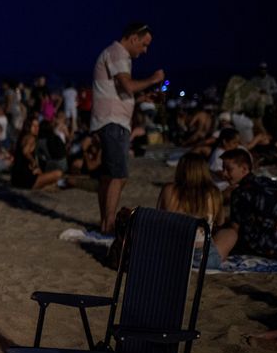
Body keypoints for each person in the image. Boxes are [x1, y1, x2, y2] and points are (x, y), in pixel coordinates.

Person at [91, 22, 165, 234]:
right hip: (113, 122)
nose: (145, 50)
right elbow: (128, 85)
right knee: (118, 175)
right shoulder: (118, 53)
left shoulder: (113, 53)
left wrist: (143, 98)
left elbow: (121, 93)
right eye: (144, 44)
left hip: (107, 121)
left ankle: (105, 222)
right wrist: (154, 79)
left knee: (108, 175)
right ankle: (108, 224)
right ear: (133, 38)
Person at [157, 153, 225, 268]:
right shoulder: (213, 193)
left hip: (172, 254)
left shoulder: (169, 190)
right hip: (204, 259)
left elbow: (158, 218)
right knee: (230, 235)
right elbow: (220, 221)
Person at [213, 148, 277, 261]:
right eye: (223, 169)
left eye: (229, 169)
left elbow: (234, 229)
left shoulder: (239, 193)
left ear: (244, 169)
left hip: (263, 249)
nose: (224, 173)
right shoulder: (268, 181)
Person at [11, 114, 64, 190]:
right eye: (34, 126)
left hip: (16, 179)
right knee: (58, 173)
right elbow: (25, 151)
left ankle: (48, 186)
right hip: (26, 181)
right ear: (28, 126)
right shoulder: (31, 138)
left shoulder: (22, 137)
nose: (36, 128)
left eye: (38, 126)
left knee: (42, 173)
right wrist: (33, 162)